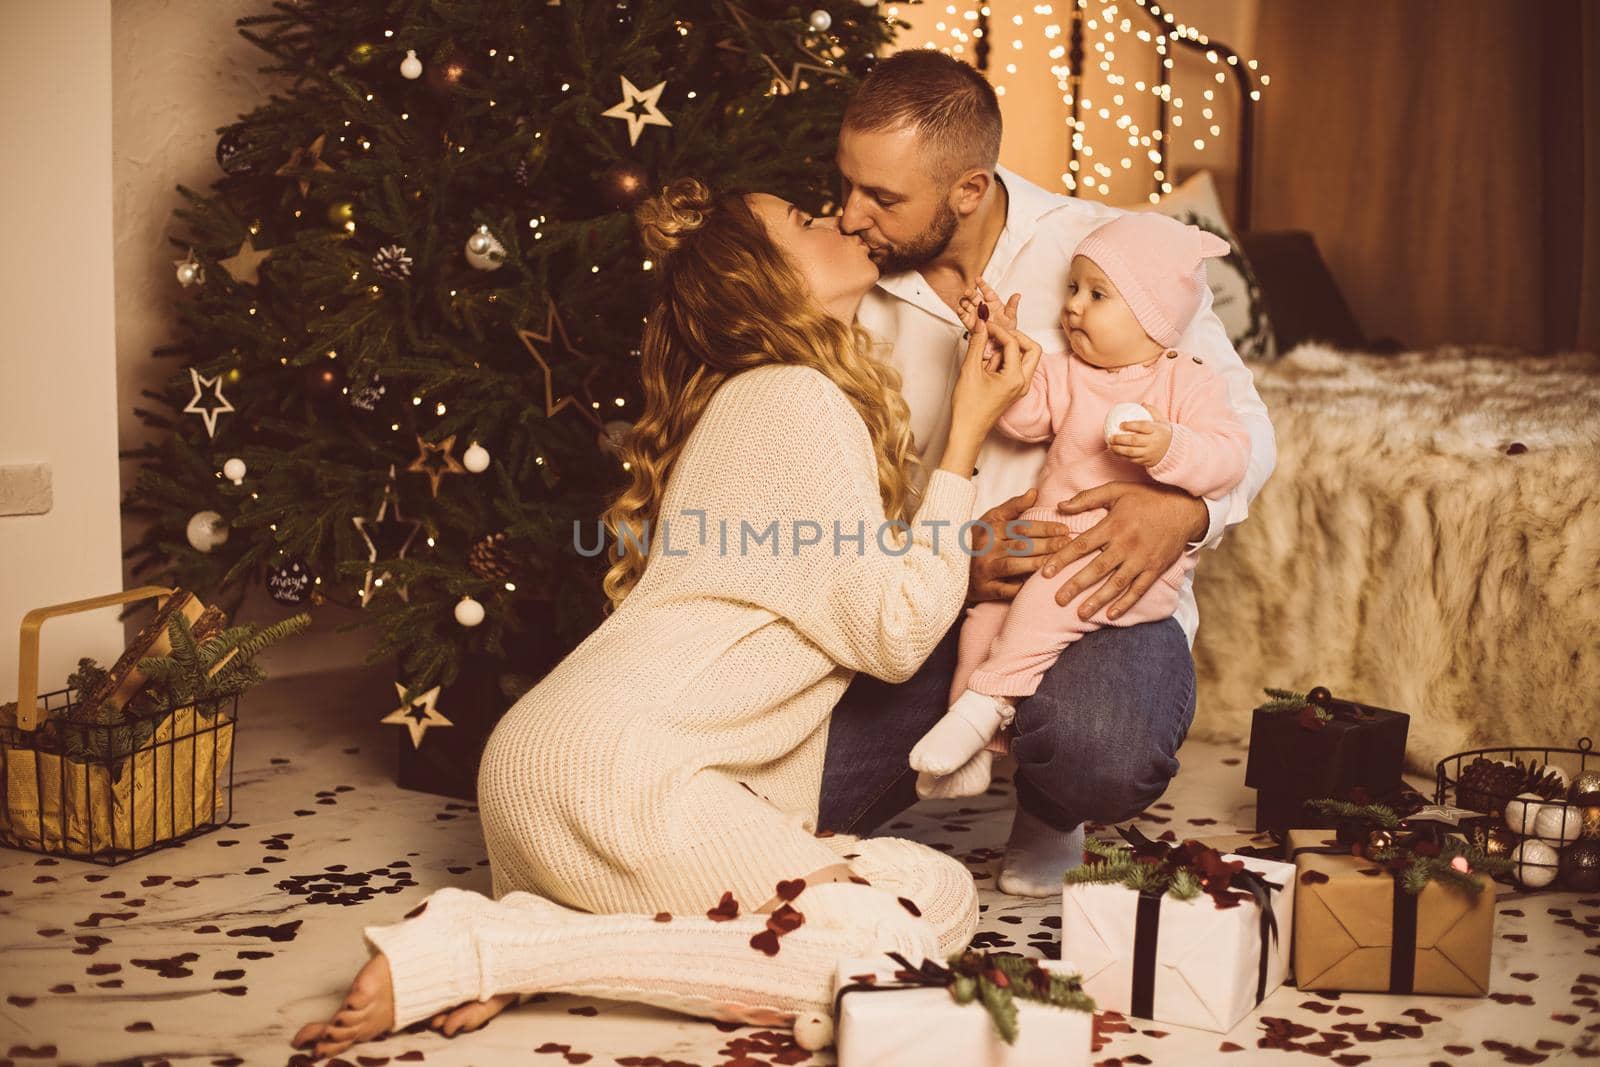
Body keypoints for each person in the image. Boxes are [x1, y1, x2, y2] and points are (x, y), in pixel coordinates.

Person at [290, 177, 1038, 1059]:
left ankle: (534, 938)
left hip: (543, 765)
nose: (839, 219)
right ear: (764, 281)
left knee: (896, 883)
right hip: (629, 783)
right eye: (805, 221)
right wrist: (966, 434)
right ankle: (505, 949)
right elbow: (901, 633)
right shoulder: (799, 399)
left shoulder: (745, 405)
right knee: (916, 920)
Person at [820, 49, 1276, 896]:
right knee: (804, 795)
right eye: (845, 183)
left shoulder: (1110, 252)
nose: (850, 217)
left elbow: (1244, 426)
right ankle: (966, 726)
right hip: (922, 606)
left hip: (1090, 598)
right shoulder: (846, 281)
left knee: (1101, 749)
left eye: (881, 197)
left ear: (968, 189)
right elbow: (825, 492)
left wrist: (1187, 515)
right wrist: (952, 565)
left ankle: (1051, 802)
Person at [908, 213, 1252, 798]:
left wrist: (1170, 447)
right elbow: (1020, 419)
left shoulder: (1184, 381)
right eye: (1072, 289)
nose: (1072, 307)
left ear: (1154, 314)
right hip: (1053, 535)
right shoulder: (1068, 371)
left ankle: (987, 702)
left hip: (1125, 559)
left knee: (1046, 599)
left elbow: (1231, 454)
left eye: (1098, 295)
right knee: (984, 622)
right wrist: (992, 351)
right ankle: (978, 748)